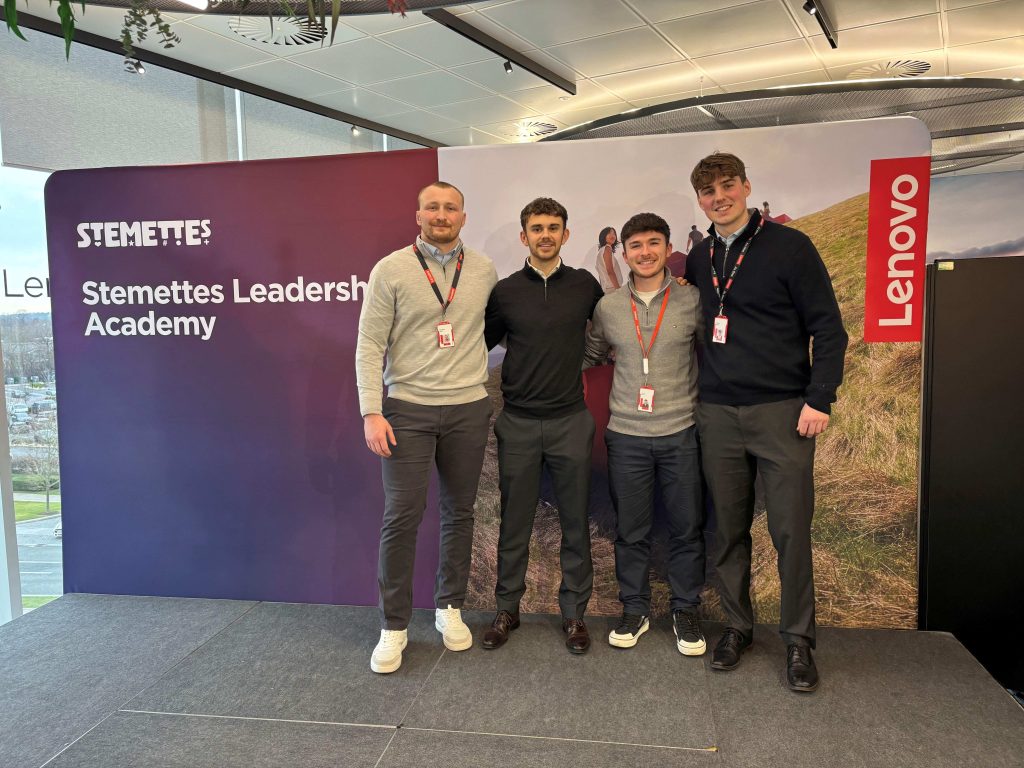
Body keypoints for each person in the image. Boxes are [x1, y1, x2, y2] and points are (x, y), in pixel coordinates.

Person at [684, 153, 848, 692]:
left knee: (789, 530)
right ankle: (738, 626)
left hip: (783, 412)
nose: (718, 197)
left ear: (746, 187)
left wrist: (819, 398)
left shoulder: (789, 246)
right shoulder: (699, 255)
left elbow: (828, 327)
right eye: (708, 191)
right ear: (700, 200)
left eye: (727, 186)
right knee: (728, 530)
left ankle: (799, 640)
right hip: (718, 413)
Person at [355, 181, 497, 674]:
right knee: (402, 517)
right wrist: (371, 410)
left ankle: (448, 607)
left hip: (467, 409)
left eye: (451, 207)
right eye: (432, 207)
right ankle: (393, 627)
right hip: (407, 411)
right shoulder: (390, 269)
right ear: (418, 214)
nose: (442, 215)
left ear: (464, 215)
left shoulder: (482, 269)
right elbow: (370, 344)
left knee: (460, 513)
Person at [482, 197, 604, 654]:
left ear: (566, 234)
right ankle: (507, 608)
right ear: (524, 237)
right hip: (518, 423)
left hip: (570, 420)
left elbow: (616, 325)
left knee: (575, 521)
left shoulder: (585, 285)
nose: (545, 234)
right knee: (514, 521)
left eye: (554, 227)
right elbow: (477, 344)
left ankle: (574, 614)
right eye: (537, 228)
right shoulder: (507, 290)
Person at [584, 212, 707, 657]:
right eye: (635, 245)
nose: (645, 252)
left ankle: (685, 609)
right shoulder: (609, 307)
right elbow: (593, 353)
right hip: (627, 435)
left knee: (685, 528)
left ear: (667, 246)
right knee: (631, 530)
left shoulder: (692, 301)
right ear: (624, 253)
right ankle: (634, 608)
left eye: (654, 243)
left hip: (681, 432)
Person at [593, 226, 624, 293]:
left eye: (614, 234)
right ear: (603, 236)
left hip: (607, 288)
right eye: (609, 233)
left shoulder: (601, 251)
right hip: (612, 288)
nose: (612, 235)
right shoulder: (607, 249)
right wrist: (618, 290)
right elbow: (610, 271)